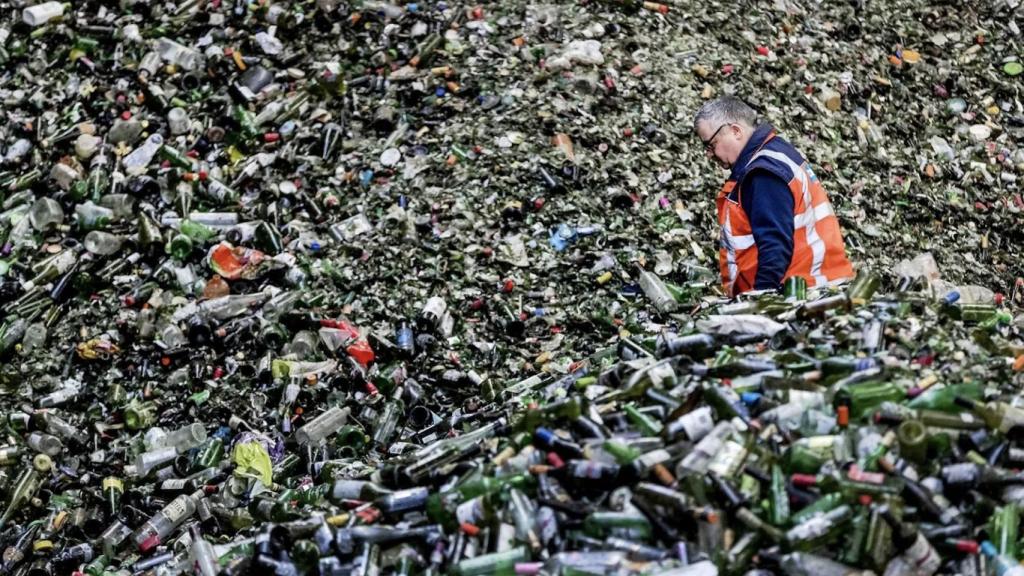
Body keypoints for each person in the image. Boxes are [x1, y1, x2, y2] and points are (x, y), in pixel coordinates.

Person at [693, 95, 855, 296]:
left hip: (800, 294)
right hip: (817, 285)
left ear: (735, 131)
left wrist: (762, 302)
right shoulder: (776, 152)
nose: (709, 154)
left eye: (711, 144)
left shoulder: (763, 174)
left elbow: (774, 247)